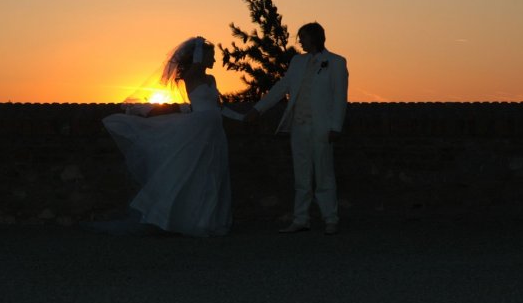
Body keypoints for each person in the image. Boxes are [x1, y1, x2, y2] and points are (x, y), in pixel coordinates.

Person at [85, 37, 240, 237]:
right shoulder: (191, 76)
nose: (215, 60)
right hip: (198, 129)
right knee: (194, 172)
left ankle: (208, 221)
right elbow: (195, 67)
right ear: (200, 56)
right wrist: (199, 45)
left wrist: (241, 117)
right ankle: (187, 220)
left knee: (213, 173)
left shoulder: (211, 79)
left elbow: (218, 107)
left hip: (215, 129)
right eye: (211, 55)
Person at [245, 22, 348, 235]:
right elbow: (282, 87)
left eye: (302, 37)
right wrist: (258, 109)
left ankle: (330, 218)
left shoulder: (336, 62)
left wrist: (336, 126)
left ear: (314, 37)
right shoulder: (297, 61)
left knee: (324, 174)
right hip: (299, 127)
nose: (299, 41)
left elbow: (340, 97)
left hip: (322, 127)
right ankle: (301, 219)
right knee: (301, 175)